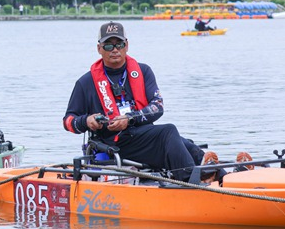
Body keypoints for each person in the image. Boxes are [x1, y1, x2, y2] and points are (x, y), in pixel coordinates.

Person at [63, 21, 205, 182]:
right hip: (113, 143)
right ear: (99, 49)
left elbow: (158, 107)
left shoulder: (143, 71)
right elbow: (68, 121)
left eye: (119, 44)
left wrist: (130, 118)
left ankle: (214, 172)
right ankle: (191, 184)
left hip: (143, 136)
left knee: (181, 142)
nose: (115, 49)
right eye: (108, 45)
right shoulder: (85, 82)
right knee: (168, 132)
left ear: (127, 46)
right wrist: (86, 121)